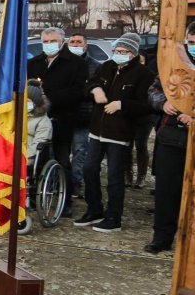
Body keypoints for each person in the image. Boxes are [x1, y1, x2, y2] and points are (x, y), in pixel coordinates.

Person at [75, 34, 152, 233]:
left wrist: (122, 105)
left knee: (114, 176)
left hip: (120, 133)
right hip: (97, 130)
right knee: (90, 170)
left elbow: (146, 105)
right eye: (117, 51)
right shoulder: (106, 67)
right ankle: (94, 209)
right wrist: (95, 89)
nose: (119, 55)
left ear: (133, 54)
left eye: (123, 52)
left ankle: (113, 216)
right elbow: (89, 84)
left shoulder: (143, 74)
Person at [144, 23, 195, 252]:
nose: (193, 47)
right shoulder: (173, 64)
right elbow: (154, 90)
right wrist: (162, 103)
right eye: (191, 43)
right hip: (171, 137)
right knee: (166, 191)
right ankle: (162, 237)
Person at [26, 26, 88, 212]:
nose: (48, 45)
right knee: (38, 159)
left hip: (63, 118)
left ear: (61, 42)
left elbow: (78, 91)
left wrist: (48, 97)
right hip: (37, 119)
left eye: (52, 41)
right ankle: (36, 196)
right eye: (45, 42)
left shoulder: (76, 63)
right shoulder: (35, 63)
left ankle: (65, 200)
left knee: (62, 160)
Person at [66, 32, 98, 197]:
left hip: (83, 117)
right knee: (62, 152)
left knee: (79, 152)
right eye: (72, 42)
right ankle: (62, 182)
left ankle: (76, 182)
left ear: (85, 46)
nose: (76, 45)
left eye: (79, 42)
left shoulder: (94, 66)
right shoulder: (62, 63)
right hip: (64, 116)